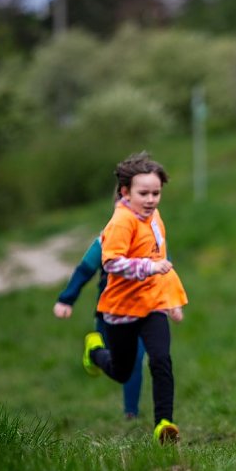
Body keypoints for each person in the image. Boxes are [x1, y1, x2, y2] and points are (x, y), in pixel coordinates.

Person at [83, 152, 188, 443]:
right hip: (120, 309)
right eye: (144, 193)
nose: (151, 200)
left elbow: (161, 259)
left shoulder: (153, 217)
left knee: (161, 360)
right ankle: (94, 350)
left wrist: (172, 301)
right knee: (122, 370)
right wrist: (148, 267)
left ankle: (164, 424)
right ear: (125, 192)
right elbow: (111, 263)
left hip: (152, 304)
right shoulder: (121, 222)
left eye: (156, 193)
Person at [53, 235, 146, 419]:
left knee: (136, 358)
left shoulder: (153, 234)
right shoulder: (106, 238)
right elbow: (84, 270)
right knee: (115, 358)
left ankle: (131, 413)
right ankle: (94, 352)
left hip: (143, 310)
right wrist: (66, 299)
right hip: (109, 312)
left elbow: (165, 270)